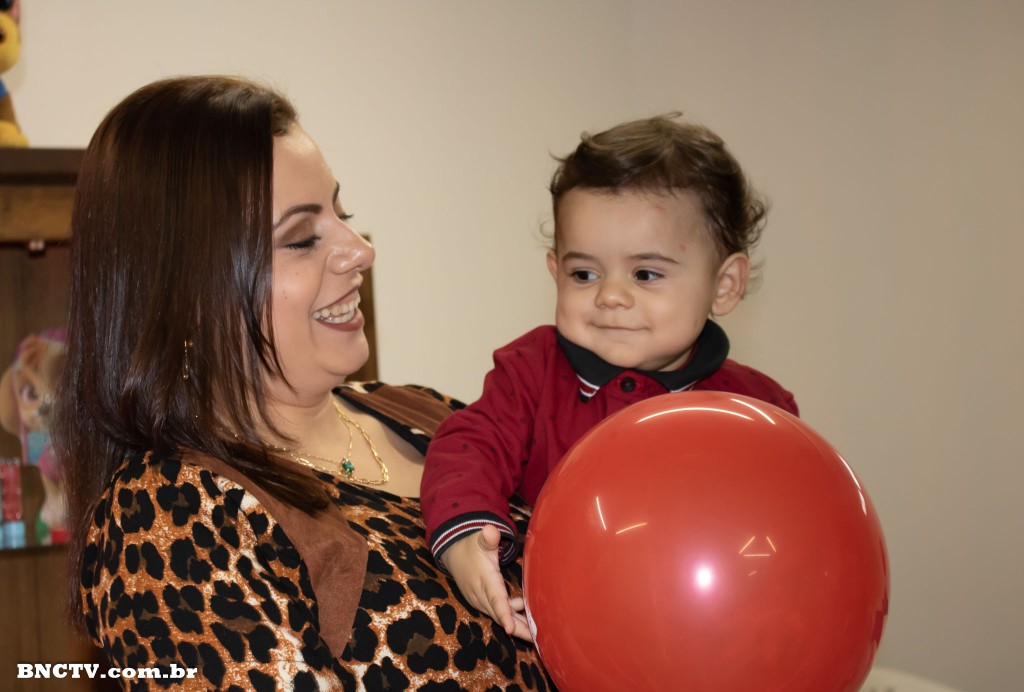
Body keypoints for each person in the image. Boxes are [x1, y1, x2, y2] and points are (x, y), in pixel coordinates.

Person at [54, 75, 551, 691]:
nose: (360, 250)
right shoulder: (168, 519)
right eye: (301, 239)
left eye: (344, 215)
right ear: (187, 300)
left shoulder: (427, 412)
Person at [421, 113, 799, 640]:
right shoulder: (532, 372)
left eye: (645, 273)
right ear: (554, 271)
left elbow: (793, 533)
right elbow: (469, 444)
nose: (610, 296)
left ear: (724, 285)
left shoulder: (760, 411)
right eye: (584, 273)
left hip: (716, 636)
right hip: (570, 633)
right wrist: (466, 537)